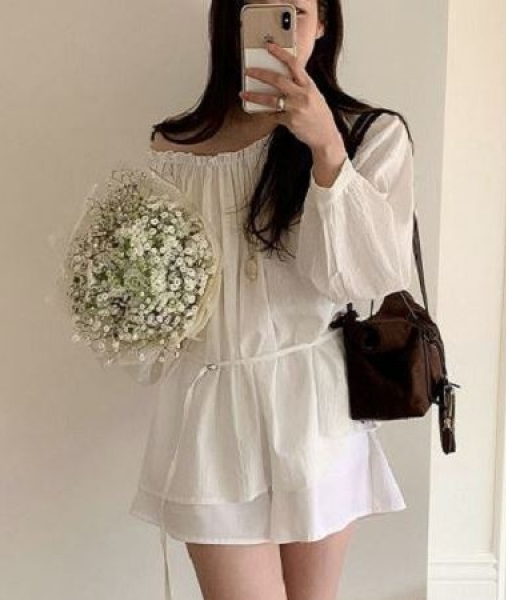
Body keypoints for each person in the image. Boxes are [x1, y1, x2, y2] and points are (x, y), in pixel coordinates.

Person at [129, 1, 416, 599]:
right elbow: (156, 280)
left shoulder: (370, 134)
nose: (282, 31)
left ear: (324, 23)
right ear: (232, 21)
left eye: (296, 10)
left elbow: (361, 279)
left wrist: (327, 150)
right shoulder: (176, 145)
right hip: (211, 409)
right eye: (259, 7)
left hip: (315, 408)